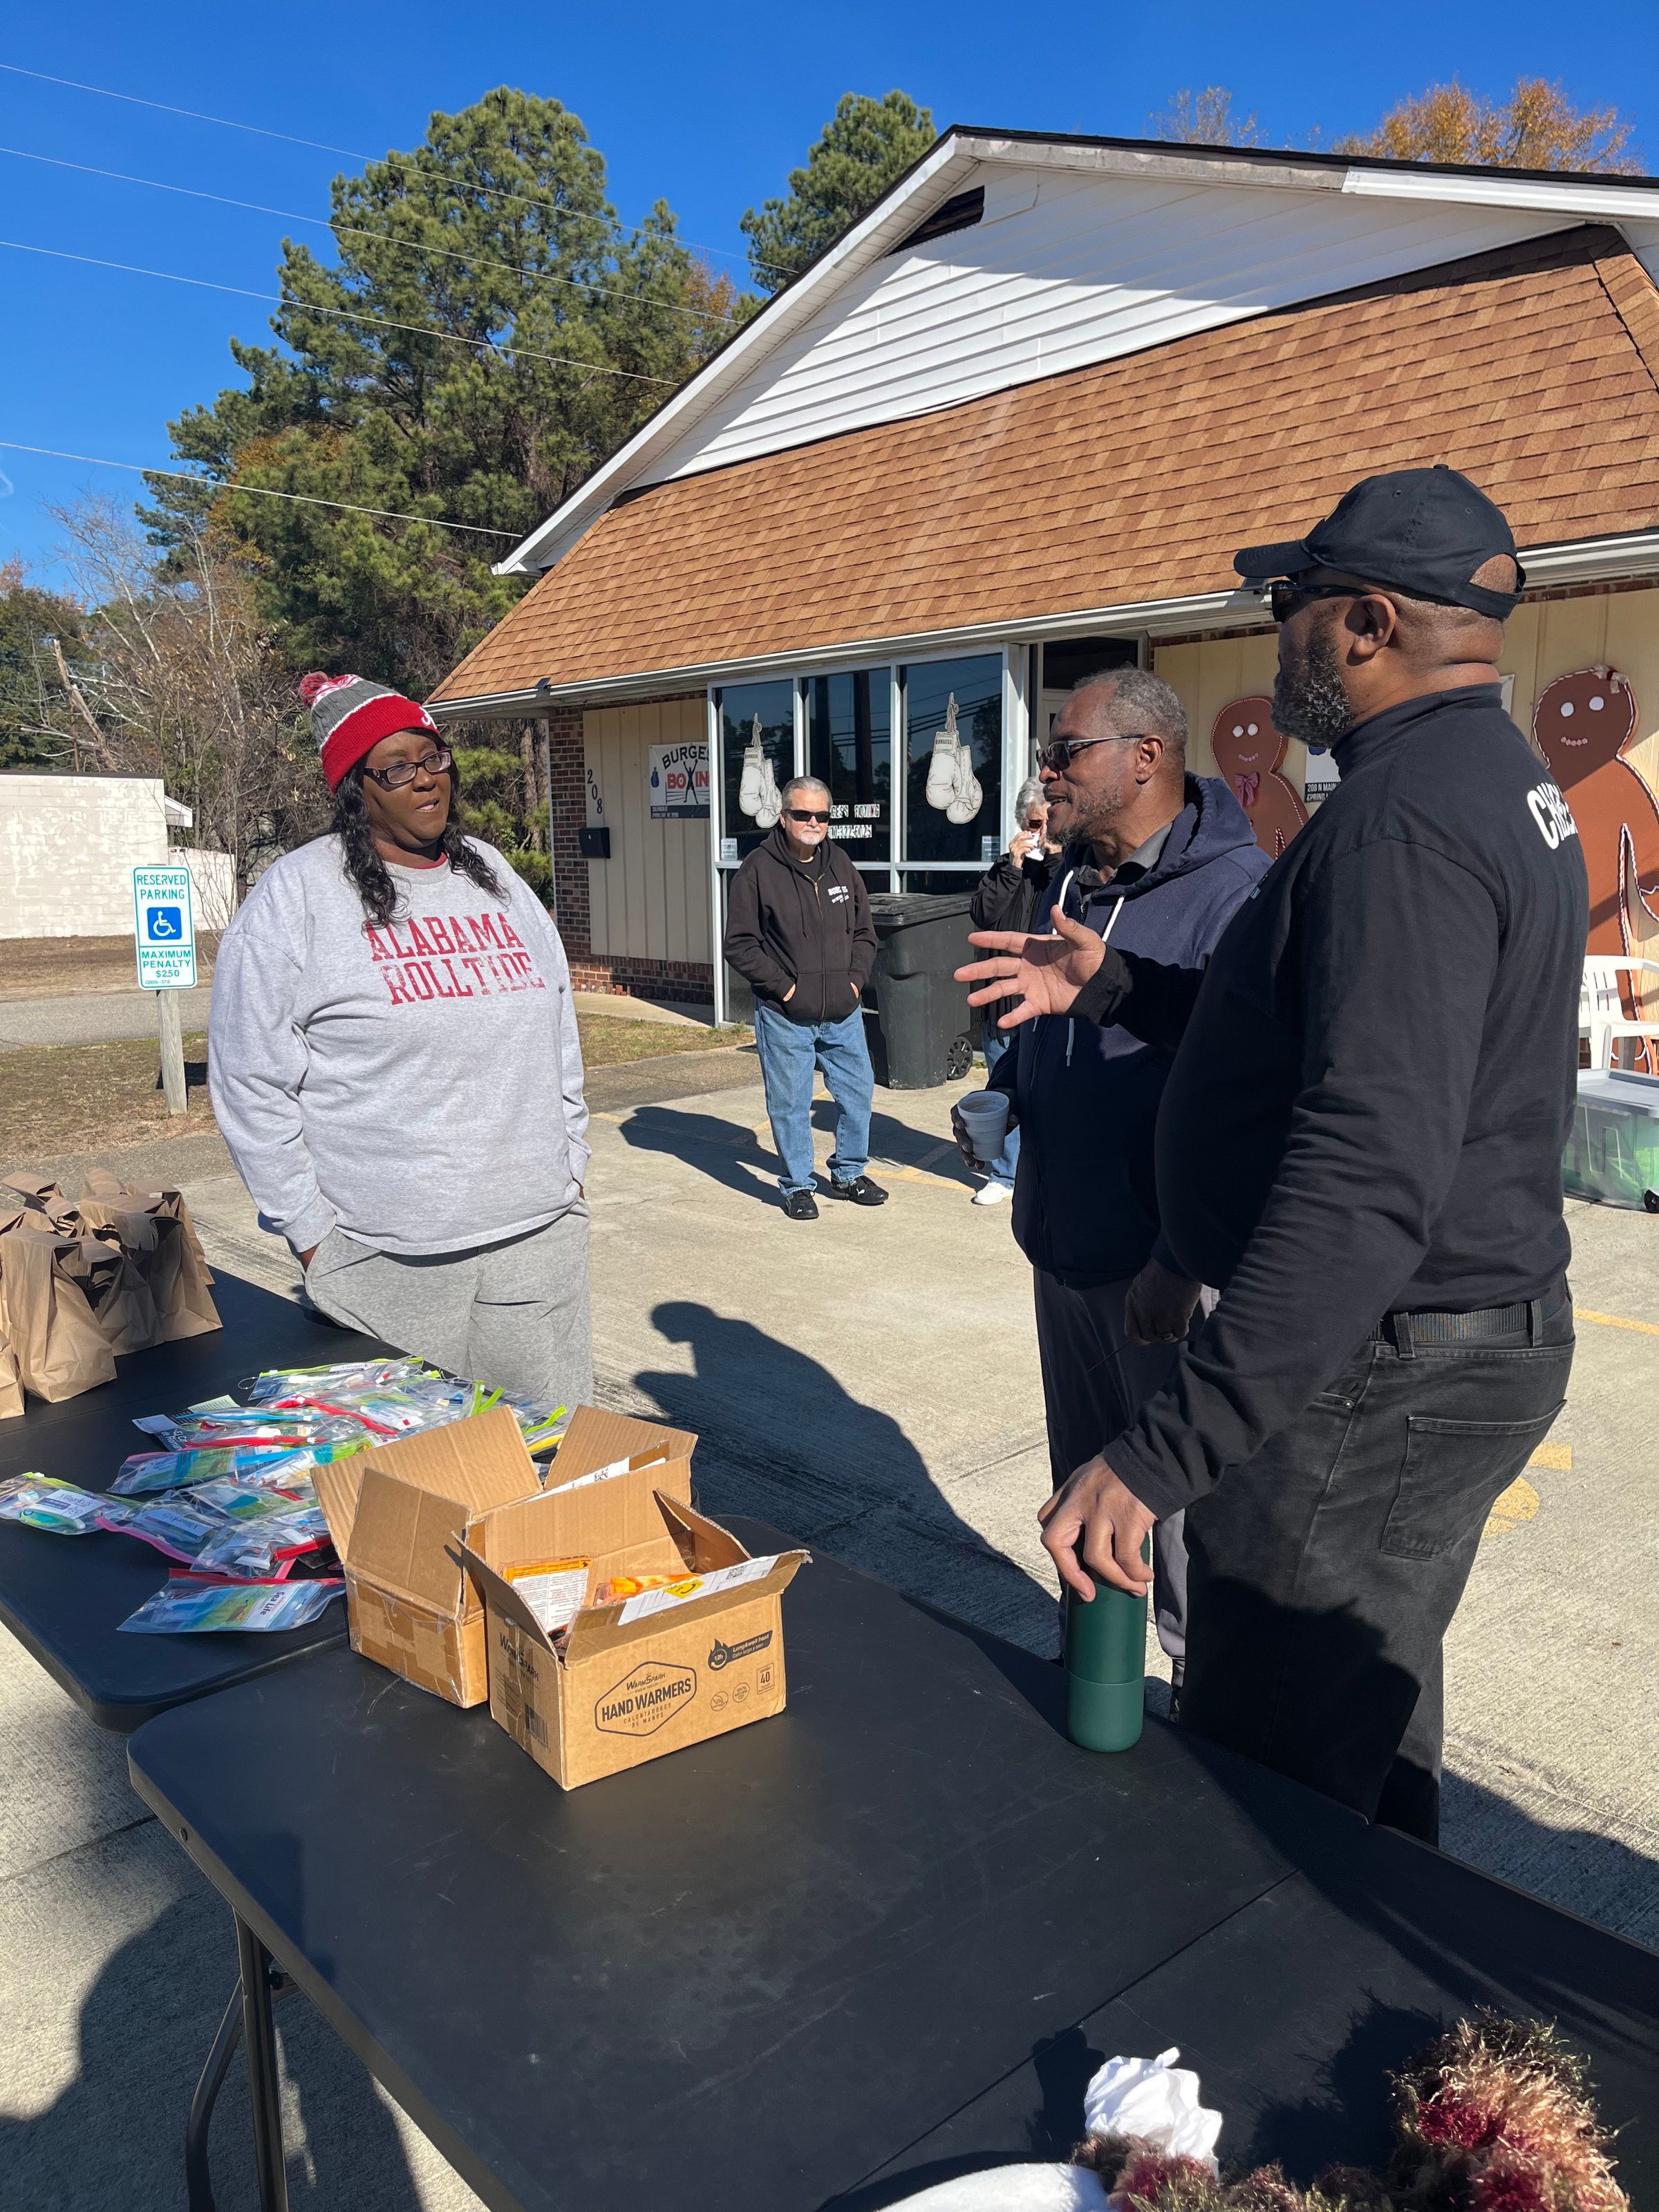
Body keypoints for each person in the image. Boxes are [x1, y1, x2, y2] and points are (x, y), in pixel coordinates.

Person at [959, 466, 1587, 1841]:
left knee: (1267, 1786)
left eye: (1291, 602)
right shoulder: (1486, 777)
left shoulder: (1404, 823)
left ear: (1363, 622)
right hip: (1439, 1341)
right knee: (1359, 1725)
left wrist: (1165, 1449)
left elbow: (1369, 1161)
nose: (1275, 627)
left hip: (1393, 1363)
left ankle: (1278, 2042)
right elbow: (1315, 1045)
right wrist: (1120, 986)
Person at [953, 671, 1268, 1696]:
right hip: (1064, 1248)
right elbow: (1057, 1017)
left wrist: (1181, 1257)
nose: (1046, 773)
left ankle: (1201, 1745)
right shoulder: (1077, 878)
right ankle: (1097, 1703)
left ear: (1146, 756)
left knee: (1173, 1533)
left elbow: (1245, 1104)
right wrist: (1009, 1090)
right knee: (1083, 1511)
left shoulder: (1239, 894)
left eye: (1066, 753)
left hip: (1162, 1278)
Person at [210, 671, 592, 1405]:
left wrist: (570, 1163)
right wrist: (314, 1233)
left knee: (549, 1469)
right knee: (415, 1490)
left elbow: (557, 1026)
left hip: (537, 1238)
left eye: (433, 757)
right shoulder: (297, 898)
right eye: (396, 767)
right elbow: (249, 1080)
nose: (424, 780)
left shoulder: (498, 880)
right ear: (357, 788)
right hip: (385, 1260)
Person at [722, 774, 887, 1221]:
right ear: (783, 816)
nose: (813, 822)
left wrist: (853, 982)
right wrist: (787, 989)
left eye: (822, 815)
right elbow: (739, 944)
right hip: (785, 1014)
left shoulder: (841, 865)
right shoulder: (757, 870)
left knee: (858, 1092)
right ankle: (798, 1185)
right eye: (803, 814)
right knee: (791, 1102)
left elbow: (864, 934)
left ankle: (849, 1173)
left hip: (842, 1010)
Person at [966, 778, 1058, 1207]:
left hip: (1050, 1000)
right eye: (1034, 823)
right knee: (1003, 1086)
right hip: (1004, 1000)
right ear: (1021, 824)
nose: (1042, 833)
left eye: (1049, 822)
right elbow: (983, 913)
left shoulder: (1069, 869)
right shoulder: (1008, 868)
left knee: (1050, 1090)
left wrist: (1056, 857)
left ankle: (1043, 1171)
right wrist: (1013, 865)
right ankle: (1003, 1174)